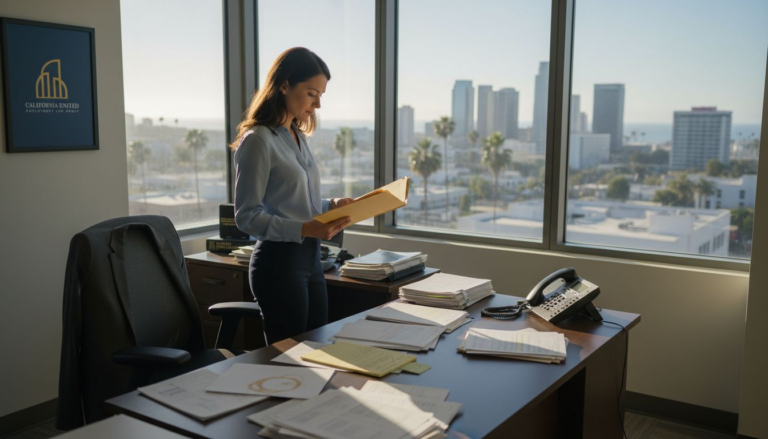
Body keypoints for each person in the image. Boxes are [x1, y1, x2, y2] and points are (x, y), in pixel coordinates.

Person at [231, 47, 353, 345]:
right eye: (312, 93)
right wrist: (305, 228)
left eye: (321, 95)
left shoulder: (296, 135)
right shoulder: (258, 140)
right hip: (278, 263)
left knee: (317, 349)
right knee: (289, 361)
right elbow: (246, 216)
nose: (318, 104)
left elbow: (294, 202)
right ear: (284, 84)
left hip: (310, 259)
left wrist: (331, 206)